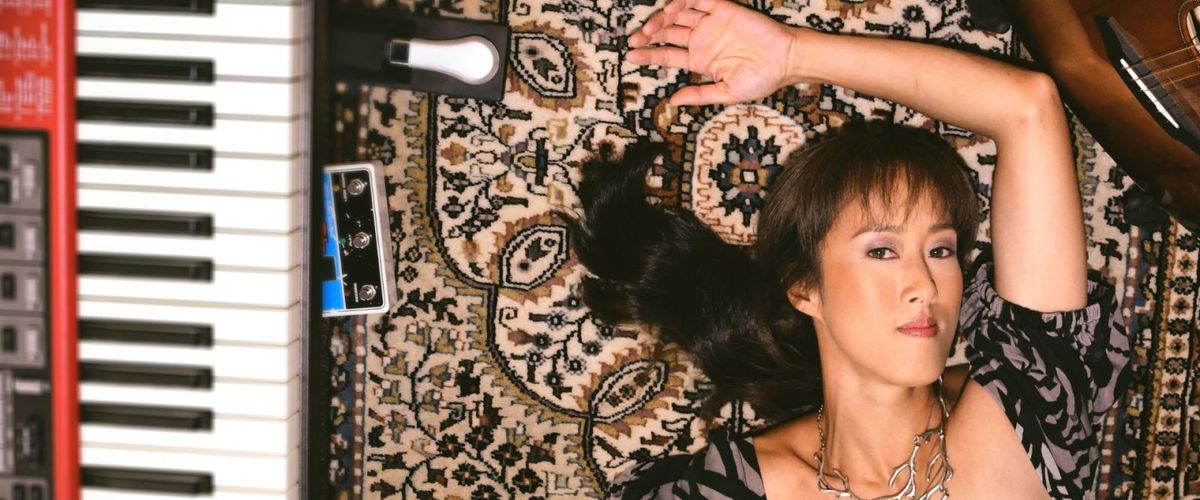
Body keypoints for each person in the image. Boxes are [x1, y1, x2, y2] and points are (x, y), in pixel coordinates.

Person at [566, 0, 1131, 498]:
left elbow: (1028, 107)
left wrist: (795, 55)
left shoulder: (1030, 405)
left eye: (940, 251)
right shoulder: (730, 489)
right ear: (805, 287)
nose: (926, 286)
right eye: (882, 251)